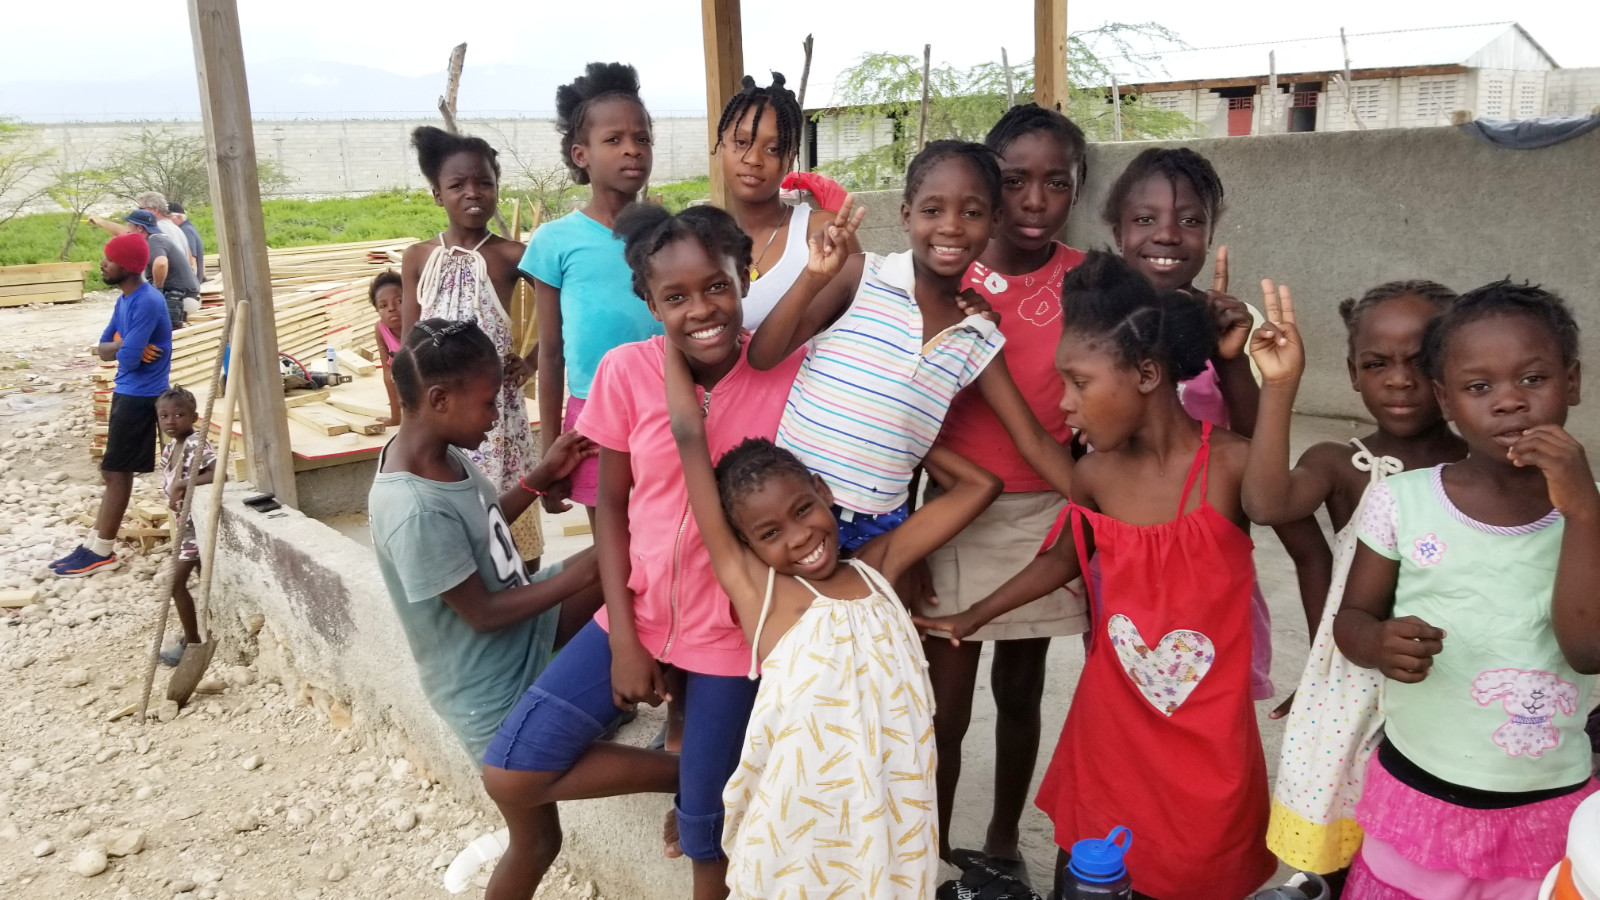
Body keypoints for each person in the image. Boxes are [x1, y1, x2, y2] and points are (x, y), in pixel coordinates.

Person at [915, 251, 1280, 900]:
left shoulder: (1226, 467)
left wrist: (1265, 381)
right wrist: (974, 617)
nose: (1064, 404)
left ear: (1145, 373)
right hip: (1109, 730)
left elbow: (1283, 506)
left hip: (1209, 738)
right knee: (1084, 874)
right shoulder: (1094, 475)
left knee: (1199, 872)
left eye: (1078, 383)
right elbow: (1062, 560)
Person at [477, 204, 806, 900]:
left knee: (706, 844)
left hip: (732, 633)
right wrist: (626, 635)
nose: (702, 309)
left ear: (743, 277)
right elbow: (615, 511)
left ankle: (702, 783)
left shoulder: (786, 373)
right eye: (676, 297)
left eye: (717, 285)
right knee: (512, 769)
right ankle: (690, 771)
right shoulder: (627, 373)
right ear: (649, 302)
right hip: (639, 609)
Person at [1329, 281, 1600, 899]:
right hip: (1419, 787)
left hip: (1544, 801)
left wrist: (1584, 515)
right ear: (1446, 400)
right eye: (1481, 388)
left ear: (1574, 382)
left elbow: (1589, 651)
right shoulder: (1404, 499)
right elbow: (1352, 620)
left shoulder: (1592, 516)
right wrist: (1378, 643)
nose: (1509, 403)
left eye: (1533, 380)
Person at [667, 397, 1000, 895]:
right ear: (748, 546)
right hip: (800, 826)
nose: (800, 537)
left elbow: (981, 486)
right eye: (770, 533)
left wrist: (898, 429)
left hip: (890, 818)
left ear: (823, 492)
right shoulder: (765, 594)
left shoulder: (877, 568)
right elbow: (688, 436)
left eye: (803, 509)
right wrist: (674, 343)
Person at [748, 141, 1074, 552]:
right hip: (794, 510)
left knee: (865, 618)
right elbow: (762, 357)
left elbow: (1034, 441)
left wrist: (1110, 510)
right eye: (932, 210)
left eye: (971, 213)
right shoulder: (860, 276)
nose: (951, 227)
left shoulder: (977, 335)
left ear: (994, 223)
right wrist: (813, 277)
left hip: (879, 528)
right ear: (906, 215)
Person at [1242, 280, 1465, 882]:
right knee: (1348, 840)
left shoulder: (1486, 469)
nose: (1398, 379)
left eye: (1421, 362)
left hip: (1450, 684)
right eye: (1376, 363)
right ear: (1351, 373)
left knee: (1426, 844)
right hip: (1354, 689)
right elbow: (1266, 502)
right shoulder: (1342, 464)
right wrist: (1281, 386)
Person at [923, 104, 1090, 879]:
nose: (1034, 200)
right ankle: (927, 853)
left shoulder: (1087, 281)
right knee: (945, 710)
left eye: (1056, 182)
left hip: (1045, 511)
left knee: (1020, 692)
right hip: (957, 510)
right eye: (1016, 181)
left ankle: (1000, 844)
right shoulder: (949, 270)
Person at [1103, 147, 1332, 708]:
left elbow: (1263, 459)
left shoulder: (1230, 324)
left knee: (1212, 727)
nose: (1167, 235)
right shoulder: (1096, 327)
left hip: (1213, 565)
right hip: (1125, 568)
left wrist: (1230, 359)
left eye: (1189, 220)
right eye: (1145, 219)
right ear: (1116, 231)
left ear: (1209, 232)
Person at [369, 318, 604, 764]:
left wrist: (541, 476)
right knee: (535, 828)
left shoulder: (440, 452)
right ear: (439, 400)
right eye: (488, 404)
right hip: (491, 686)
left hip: (520, 634)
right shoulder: (414, 508)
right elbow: (482, 614)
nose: (496, 416)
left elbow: (483, 522)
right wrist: (590, 571)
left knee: (633, 556)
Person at [522, 62, 663, 526]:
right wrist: (551, 456)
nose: (632, 151)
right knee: (611, 550)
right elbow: (551, 354)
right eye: (614, 140)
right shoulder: (555, 242)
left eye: (642, 138)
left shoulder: (671, 235)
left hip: (668, 407)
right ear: (581, 155)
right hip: (592, 419)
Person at [400, 126, 544, 565]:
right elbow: (409, 344)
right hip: (438, 412)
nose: (473, 193)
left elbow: (564, 313)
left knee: (510, 515)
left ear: (497, 187)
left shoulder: (513, 256)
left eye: (484, 182)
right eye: (457, 185)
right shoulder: (419, 257)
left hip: (496, 414)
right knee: (449, 509)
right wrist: (409, 417)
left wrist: (532, 362)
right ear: (436, 195)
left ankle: (526, 590)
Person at [52, 234, 172, 577]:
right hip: (127, 391)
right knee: (111, 470)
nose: (103, 264)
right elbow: (103, 347)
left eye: (109, 259)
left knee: (117, 472)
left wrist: (120, 347)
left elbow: (129, 360)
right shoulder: (125, 300)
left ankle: (102, 550)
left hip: (142, 395)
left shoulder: (147, 301)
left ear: (130, 267)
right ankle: (93, 543)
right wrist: (122, 345)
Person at [712, 72, 859, 329]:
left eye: (772, 149)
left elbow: (866, 318)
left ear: (790, 159)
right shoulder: (702, 243)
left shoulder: (820, 232)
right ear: (720, 146)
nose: (753, 159)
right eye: (741, 142)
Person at [153, 386, 214, 666]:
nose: (170, 421)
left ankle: (192, 643)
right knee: (205, 583)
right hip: (184, 524)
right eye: (164, 416)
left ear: (194, 417)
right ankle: (202, 630)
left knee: (174, 584)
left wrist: (181, 484)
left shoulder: (195, 443)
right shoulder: (171, 448)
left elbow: (217, 473)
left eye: (179, 415)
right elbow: (169, 484)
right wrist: (172, 494)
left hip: (194, 529)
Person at [124, 208, 201, 328]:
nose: (127, 230)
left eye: (129, 226)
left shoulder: (155, 240)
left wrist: (157, 289)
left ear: (140, 228)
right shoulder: (156, 240)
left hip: (179, 299)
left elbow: (161, 263)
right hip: (181, 298)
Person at [370, 270, 404, 427]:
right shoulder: (381, 329)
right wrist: (395, 418)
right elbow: (388, 374)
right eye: (383, 305)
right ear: (377, 310)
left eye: (399, 301)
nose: (391, 308)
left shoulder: (421, 323)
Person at [136, 191, 195, 271]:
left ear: (154, 210)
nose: (139, 212)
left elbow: (161, 262)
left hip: (171, 280)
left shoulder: (157, 229)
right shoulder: (175, 227)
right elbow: (190, 259)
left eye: (141, 208)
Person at [167, 201, 205, 279]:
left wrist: (193, 283)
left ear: (179, 217)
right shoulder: (189, 227)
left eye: (168, 217)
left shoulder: (185, 231)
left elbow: (191, 260)